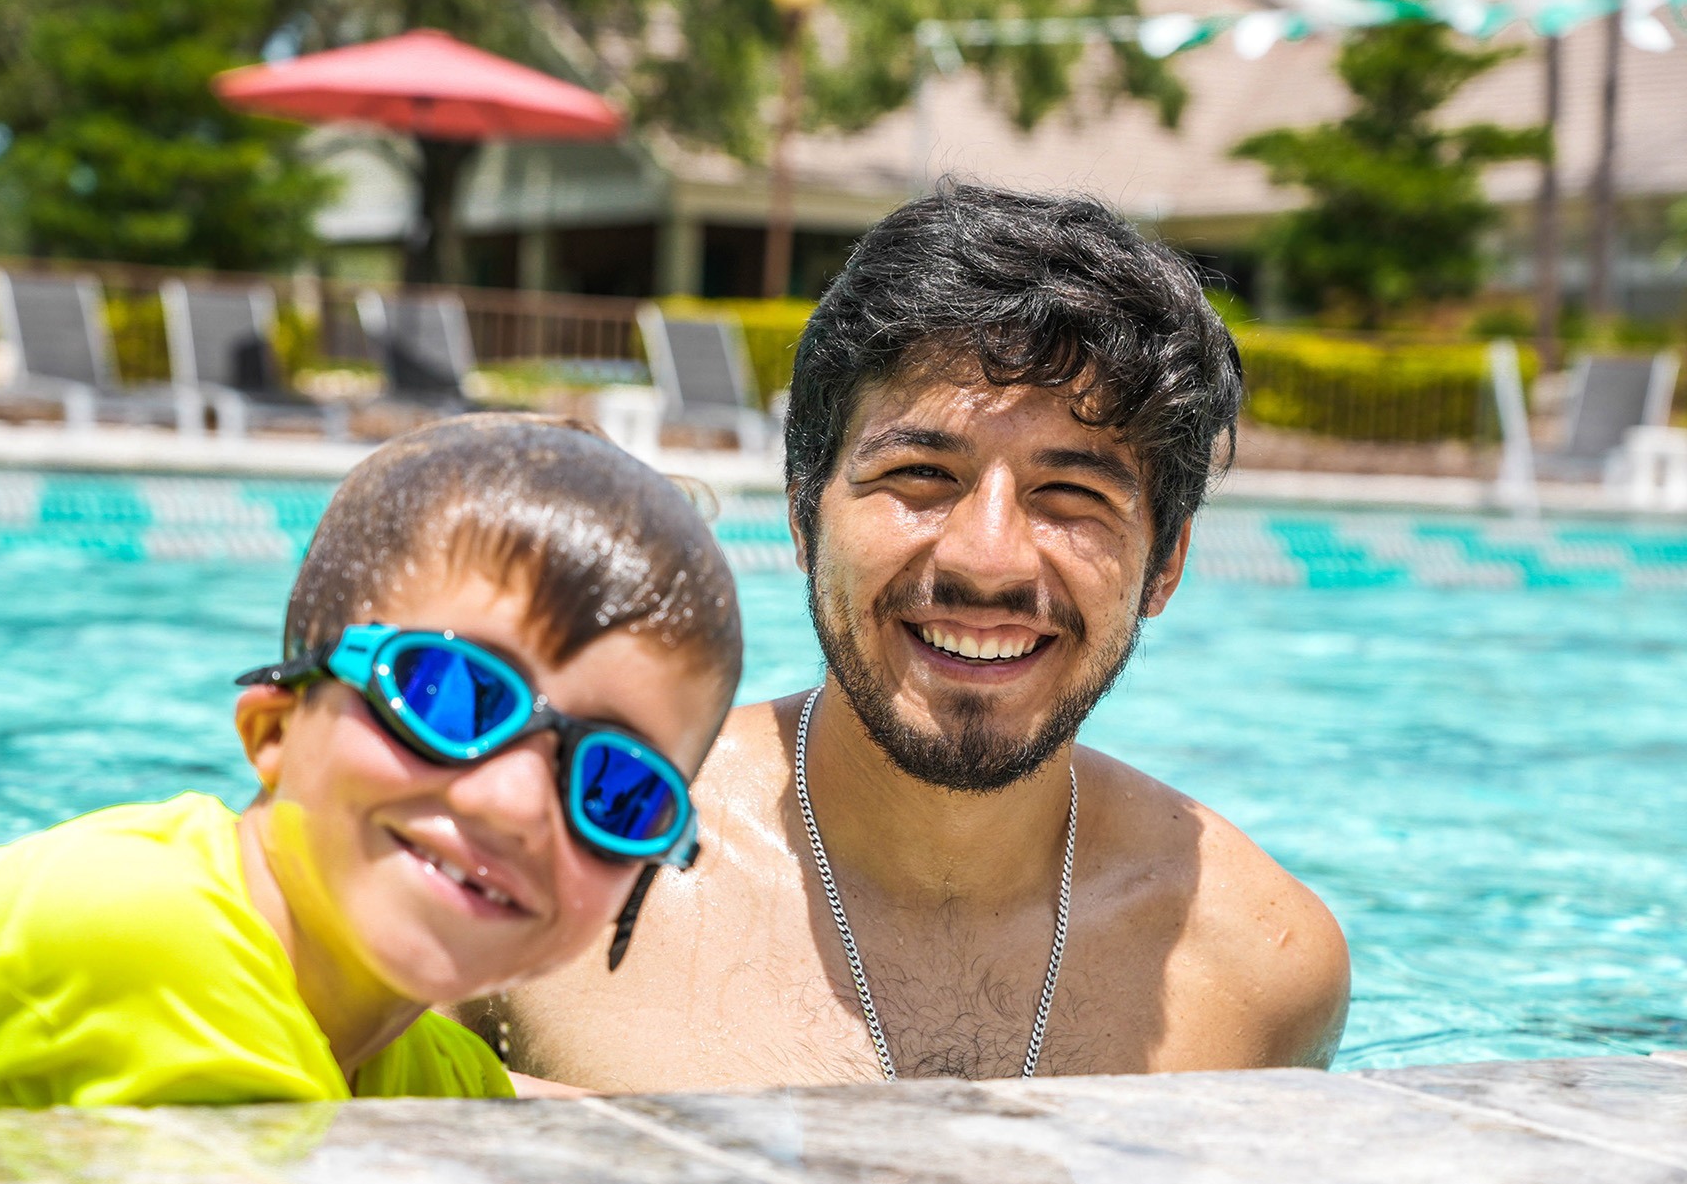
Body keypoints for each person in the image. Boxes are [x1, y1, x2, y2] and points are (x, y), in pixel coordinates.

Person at [459, 186, 1351, 1090]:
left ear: (1165, 565)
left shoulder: (1264, 974)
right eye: (920, 474)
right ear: (804, 517)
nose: (989, 559)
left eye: (1072, 495)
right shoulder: (535, 872)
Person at [0, 414, 742, 1116]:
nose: (517, 800)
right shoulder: (165, 944)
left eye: (618, 788)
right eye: (446, 696)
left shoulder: (403, 1057)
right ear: (274, 731)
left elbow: (592, 1132)